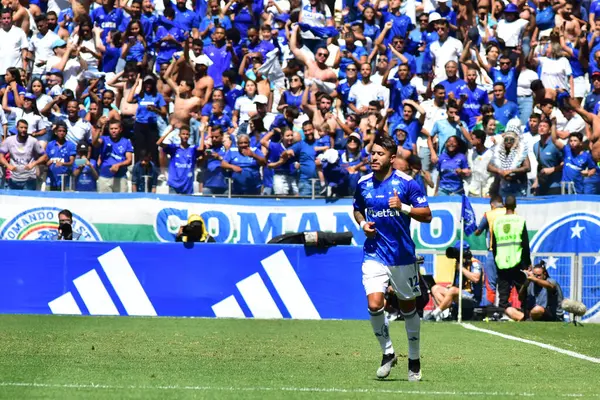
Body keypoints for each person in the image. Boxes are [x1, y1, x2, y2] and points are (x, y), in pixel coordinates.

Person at [353, 135, 432, 381]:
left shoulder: (407, 184)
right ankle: (388, 353)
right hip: (374, 253)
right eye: (372, 153)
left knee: (409, 308)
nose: (373, 157)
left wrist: (404, 208)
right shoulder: (363, 183)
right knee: (374, 304)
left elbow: (427, 215)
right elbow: (357, 208)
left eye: (379, 154)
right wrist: (363, 223)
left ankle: (414, 359)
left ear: (392, 158)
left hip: (402, 256)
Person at [491, 195, 531, 322]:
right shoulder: (519, 220)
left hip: (501, 261)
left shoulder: (497, 221)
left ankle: (504, 315)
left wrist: (497, 259)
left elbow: (494, 244)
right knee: (522, 292)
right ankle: (526, 315)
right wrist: (527, 263)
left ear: (504, 206)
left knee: (503, 294)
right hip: (517, 261)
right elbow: (524, 243)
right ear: (515, 206)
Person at [428, 241, 483, 321]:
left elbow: (476, 279)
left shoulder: (475, 263)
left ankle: (434, 314)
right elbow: (457, 284)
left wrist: (461, 268)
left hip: (472, 297)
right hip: (459, 294)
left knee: (453, 290)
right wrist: (451, 286)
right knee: (435, 288)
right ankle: (445, 313)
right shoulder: (459, 263)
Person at [474, 195, 506, 303]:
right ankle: (508, 311)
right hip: (508, 253)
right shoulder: (511, 213)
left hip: (493, 252)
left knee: (490, 285)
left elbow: (477, 232)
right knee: (506, 284)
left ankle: (488, 311)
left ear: (492, 204)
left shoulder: (489, 214)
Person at [0, 119, 47, 190]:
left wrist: (34, 164)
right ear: (17, 128)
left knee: (28, 200)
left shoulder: (33, 141)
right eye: (21, 127)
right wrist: (8, 165)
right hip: (14, 178)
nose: (24, 130)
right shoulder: (9, 140)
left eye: (25, 128)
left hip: (29, 178)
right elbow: (1, 156)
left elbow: (44, 156)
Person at [91, 118, 133, 193]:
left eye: (116, 128)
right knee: (104, 202)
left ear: (120, 129)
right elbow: (94, 143)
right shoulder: (104, 139)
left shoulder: (126, 142)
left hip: (120, 177)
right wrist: (99, 127)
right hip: (104, 177)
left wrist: (118, 165)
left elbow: (129, 160)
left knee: (121, 202)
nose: (113, 131)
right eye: (111, 129)